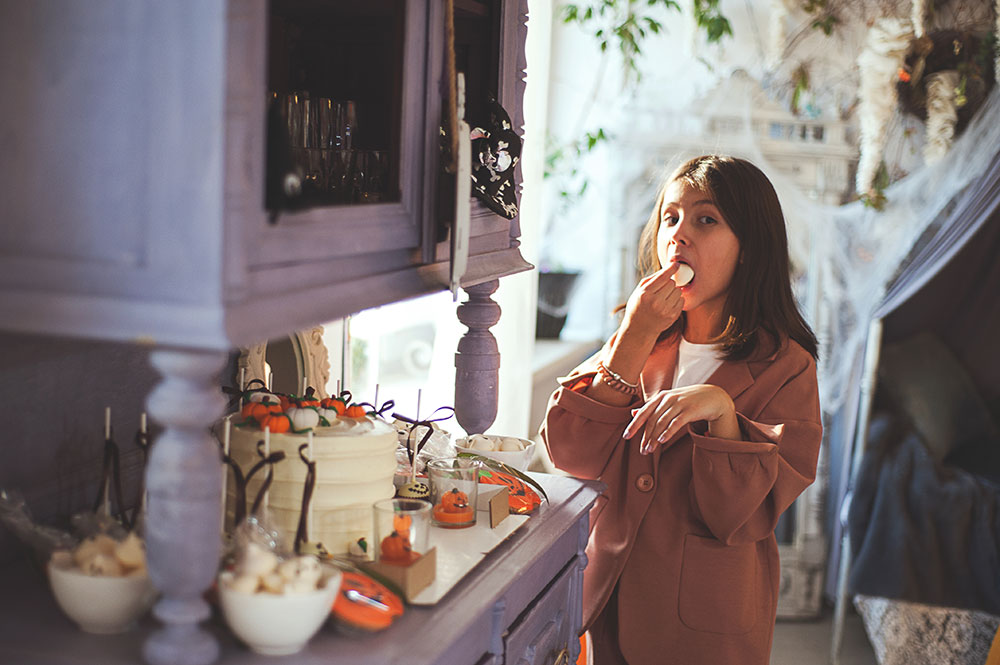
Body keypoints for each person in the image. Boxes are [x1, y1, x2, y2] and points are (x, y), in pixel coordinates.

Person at [540, 155, 822, 664]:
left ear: (750, 248)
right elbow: (570, 455)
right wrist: (631, 340)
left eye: (705, 219)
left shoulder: (788, 368)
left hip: (704, 628)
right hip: (605, 602)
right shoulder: (638, 340)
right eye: (670, 217)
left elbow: (742, 516)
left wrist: (723, 415)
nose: (678, 234)